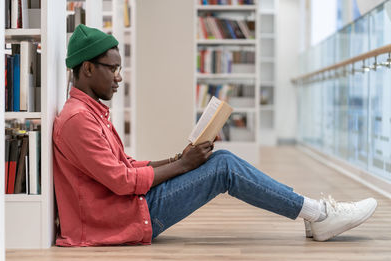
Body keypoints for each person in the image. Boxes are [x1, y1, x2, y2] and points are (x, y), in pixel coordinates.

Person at [53, 24, 377, 247]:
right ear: (88, 68)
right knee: (223, 168)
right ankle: (318, 214)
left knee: (219, 159)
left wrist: (180, 159)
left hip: (129, 206)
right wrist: (183, 166)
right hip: (122, 217)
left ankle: (313, 212)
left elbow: (124, 164)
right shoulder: (78, 120)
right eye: (112, 68)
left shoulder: (90, 112)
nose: (119, 77)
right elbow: (123, 180)